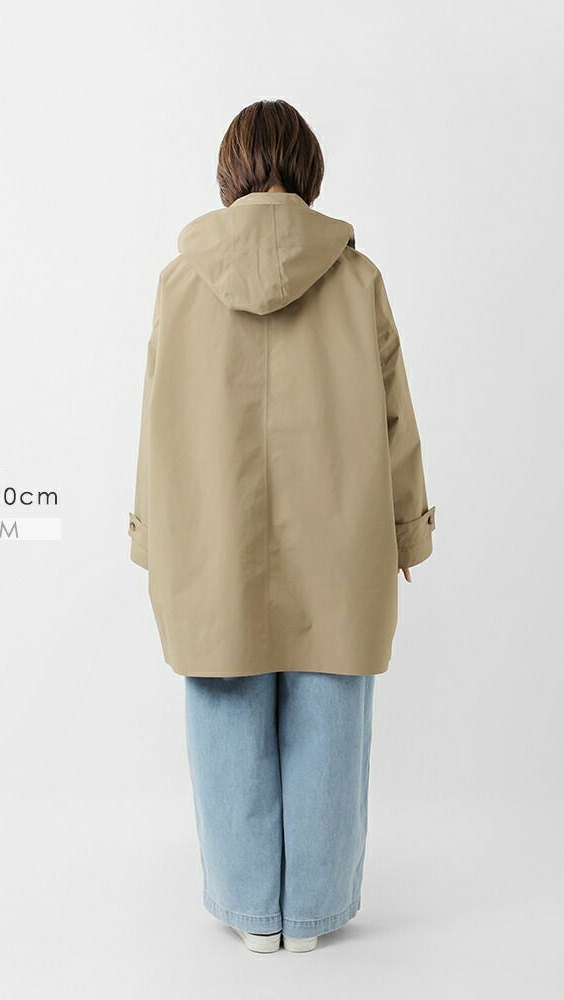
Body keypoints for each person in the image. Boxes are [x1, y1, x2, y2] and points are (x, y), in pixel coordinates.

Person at [128, 99, 435, 954]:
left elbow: (155, 423)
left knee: (223, 700)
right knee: (331, 706)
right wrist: (407, 531)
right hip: (341, 538)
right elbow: (395, 419)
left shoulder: (180, 281)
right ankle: (312, 917)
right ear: (308, 168)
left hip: (213, 538)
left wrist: (151, 537)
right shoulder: (357, 278)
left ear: (231, 170)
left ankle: (250, 912)